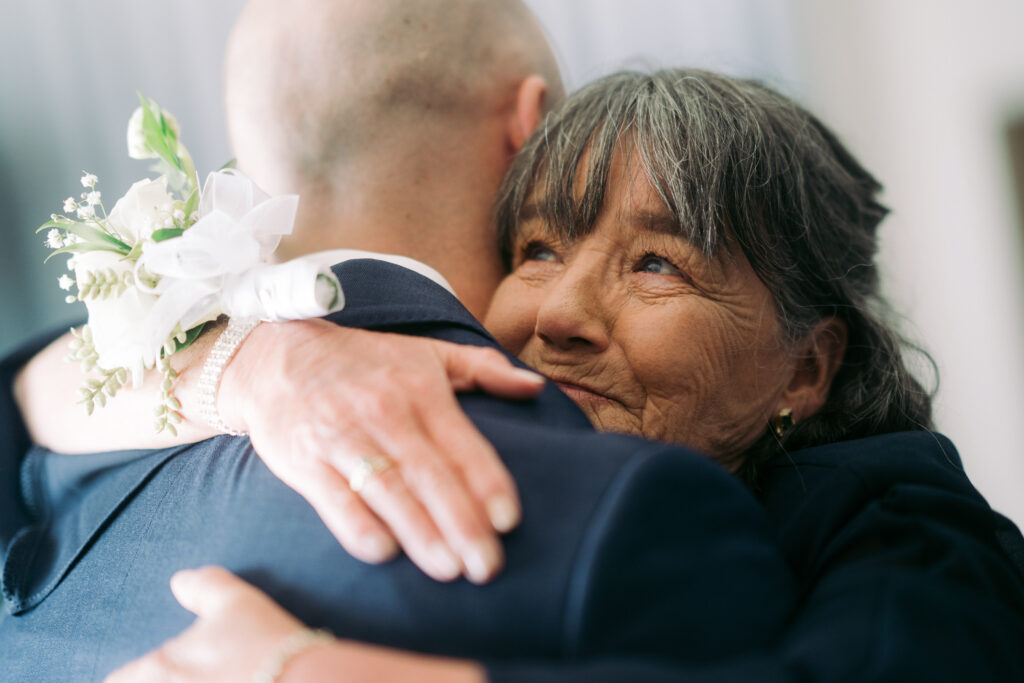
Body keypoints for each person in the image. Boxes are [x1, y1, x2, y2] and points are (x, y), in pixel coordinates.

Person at [17, 66, 1024, 682]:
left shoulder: (914, 523)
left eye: (655, 263)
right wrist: (256, 365)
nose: (555, 312)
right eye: (538, 248)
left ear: (805, 369)